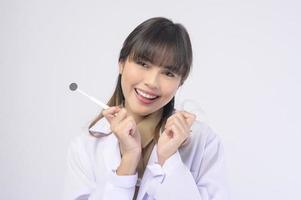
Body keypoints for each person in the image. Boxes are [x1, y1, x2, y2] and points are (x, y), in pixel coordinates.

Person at [63, 17, 228, 200]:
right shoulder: (85, 147)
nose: (152, 82)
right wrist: (128, 162)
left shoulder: (203, 142)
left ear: (180, 82)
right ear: (122, 62)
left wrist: (168, 160)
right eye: (143, 64)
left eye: (168, 73)